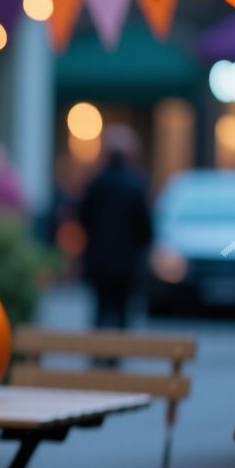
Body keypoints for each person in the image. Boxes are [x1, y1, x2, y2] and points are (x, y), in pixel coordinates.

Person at [78, 124, 153, 330]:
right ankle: (119, 347)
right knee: (123, 311)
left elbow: (83, 217)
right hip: (127, 261)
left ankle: (98, 346)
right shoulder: (136, 184)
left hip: (99, 259)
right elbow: (145, 226)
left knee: (100, 308)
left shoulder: (96, 182)